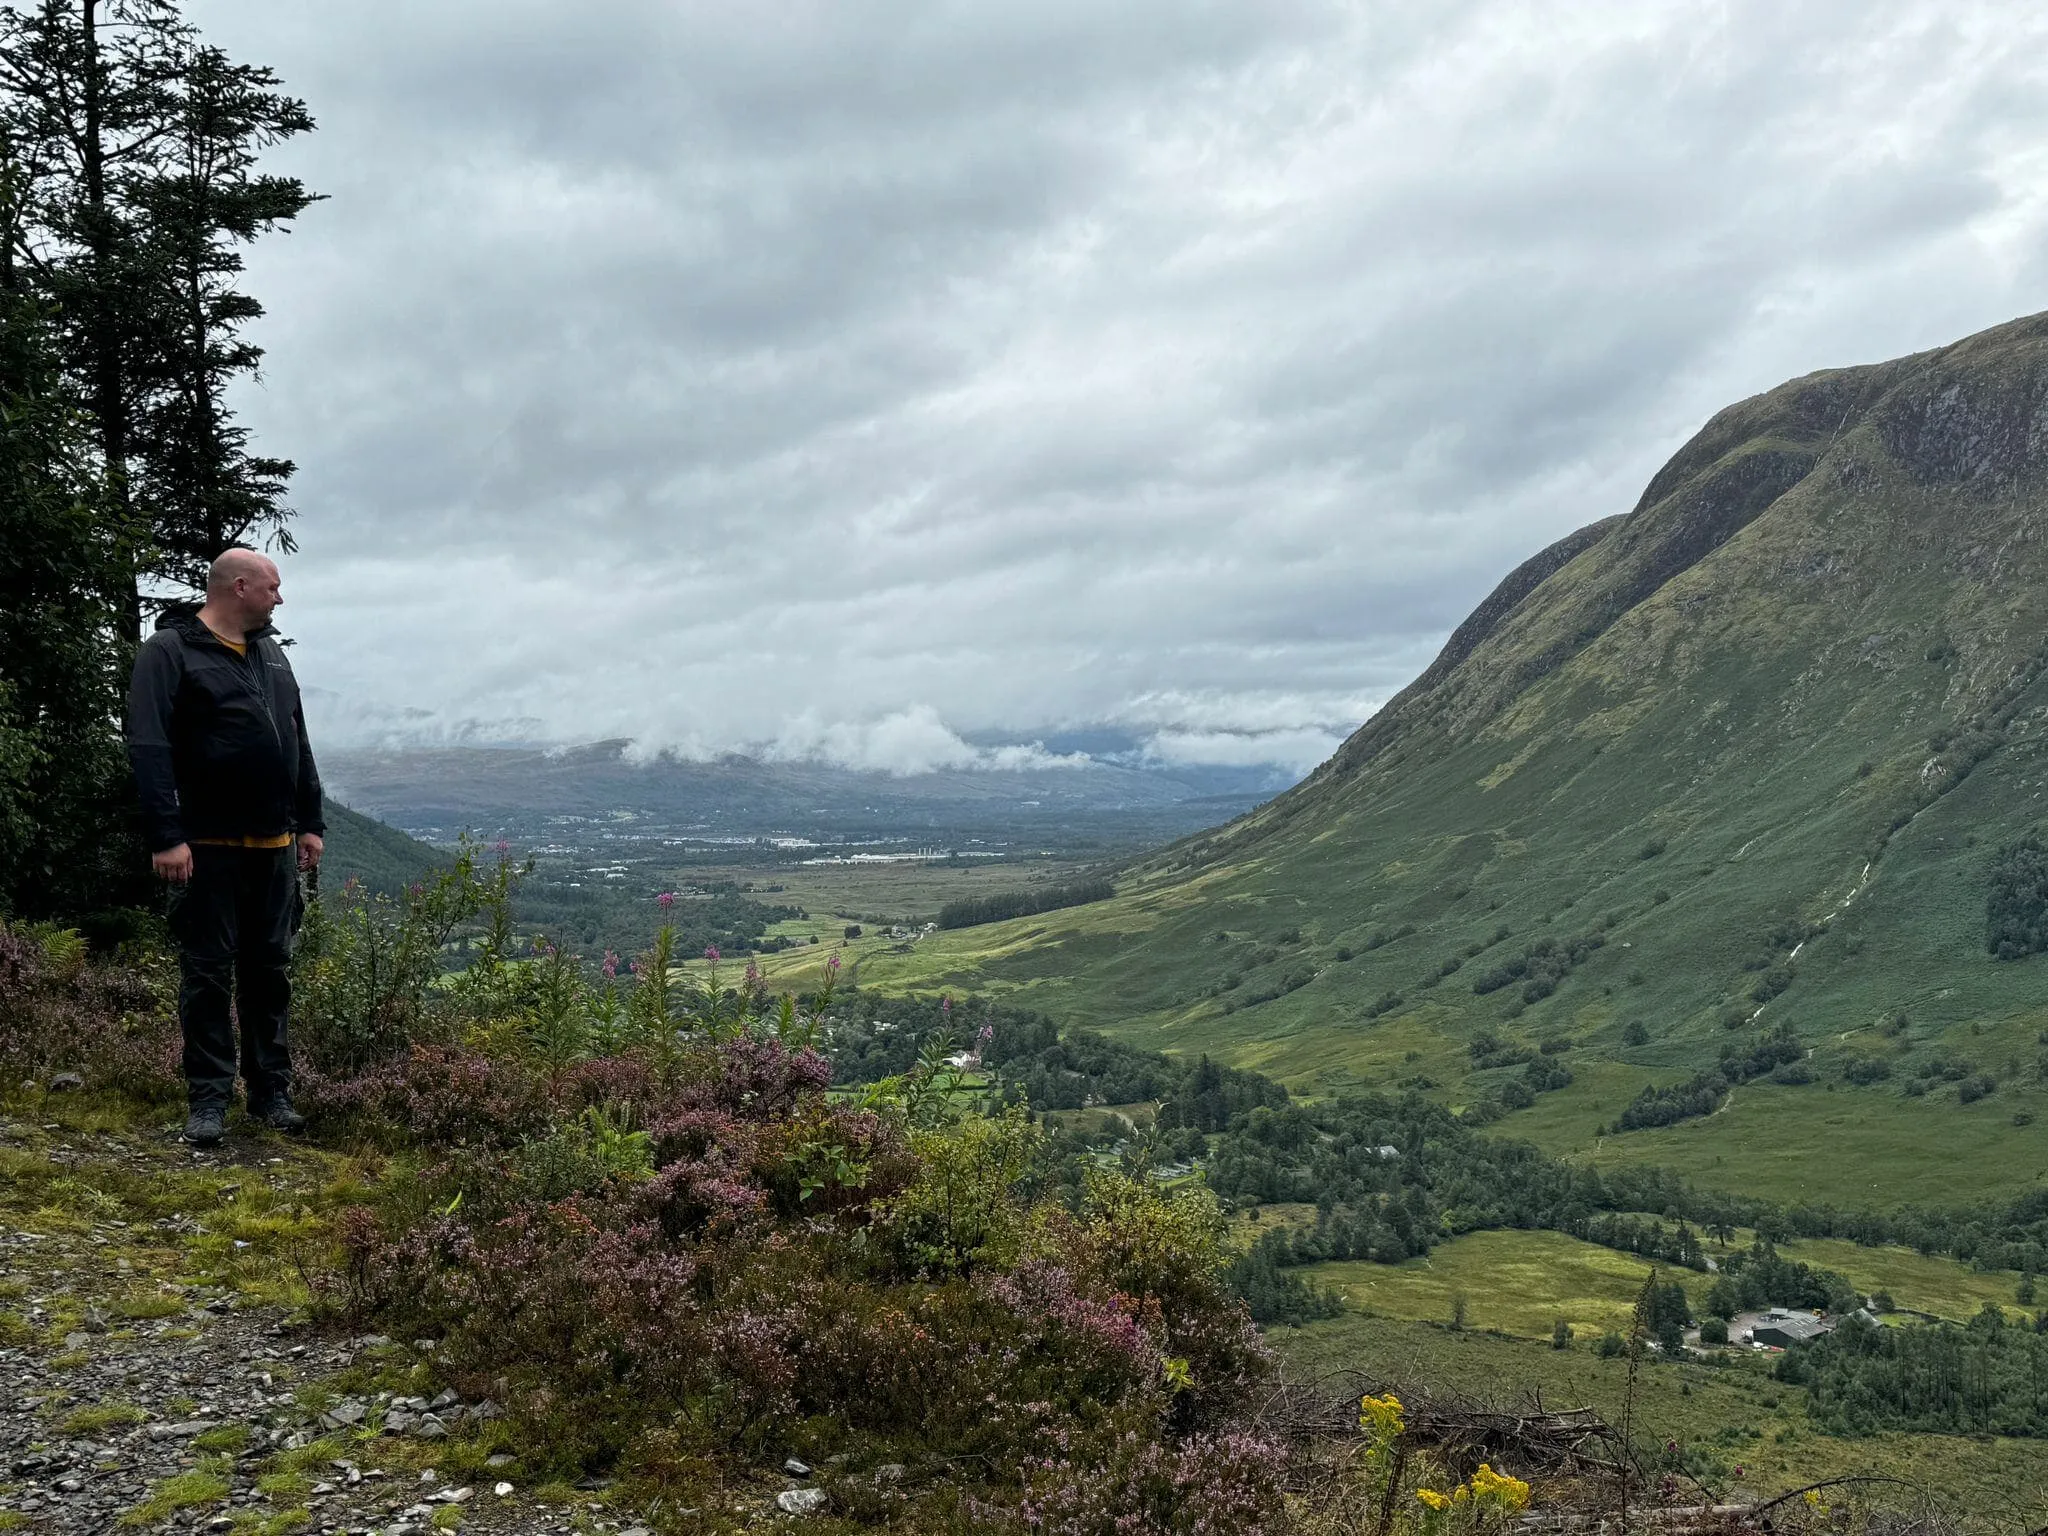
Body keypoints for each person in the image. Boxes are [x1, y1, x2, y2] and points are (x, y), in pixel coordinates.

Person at [125, 548, 325, 1146]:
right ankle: (208, 1101)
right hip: (205, 848)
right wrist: (167, 836)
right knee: (207, 975)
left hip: (274, 846)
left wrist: (310, 822)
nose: (280, 598)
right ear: (239, 588)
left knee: (270, 974)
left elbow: (297, 740)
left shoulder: (271, 654)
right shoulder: (170, 652)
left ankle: (271, 1095)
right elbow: (149, 746)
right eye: (273, 588)